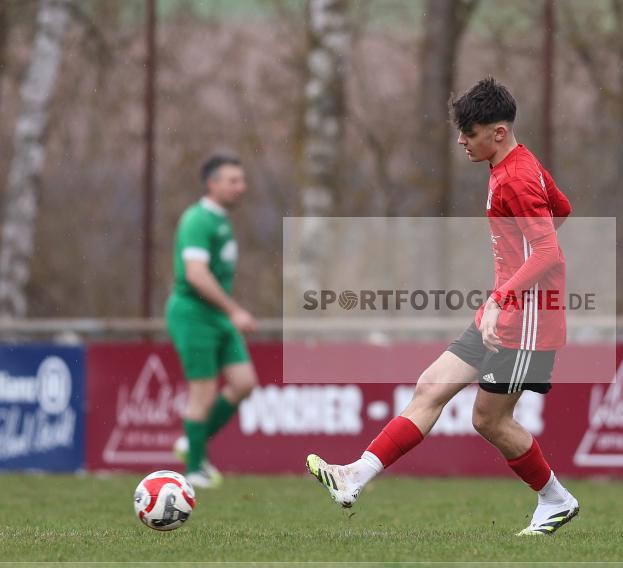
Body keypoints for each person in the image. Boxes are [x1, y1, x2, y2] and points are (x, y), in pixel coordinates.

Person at [307, 77, 578, 536]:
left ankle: (556, 500)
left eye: (469, 133)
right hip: (505, 314)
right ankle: (354, 476)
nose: (461, 140)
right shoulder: (521, 163)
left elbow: (549, 252)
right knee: (431, 385)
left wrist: (502, 295)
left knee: (489, 420)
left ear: (498, 131)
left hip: (527, 320)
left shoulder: (514, 178)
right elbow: (563, 209)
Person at [166, 154, 259, 489]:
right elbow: (195, 275)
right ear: (213, 183)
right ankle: (194, 469)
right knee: (202, 391)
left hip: (217, 316)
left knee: (244, 383)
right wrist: (234, 310)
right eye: (233, 181)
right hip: (193, 313)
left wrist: (228, 312)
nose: (241, 188)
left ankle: (192, 443)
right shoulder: (197, 219)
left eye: (242, 180)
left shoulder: (221, 221)